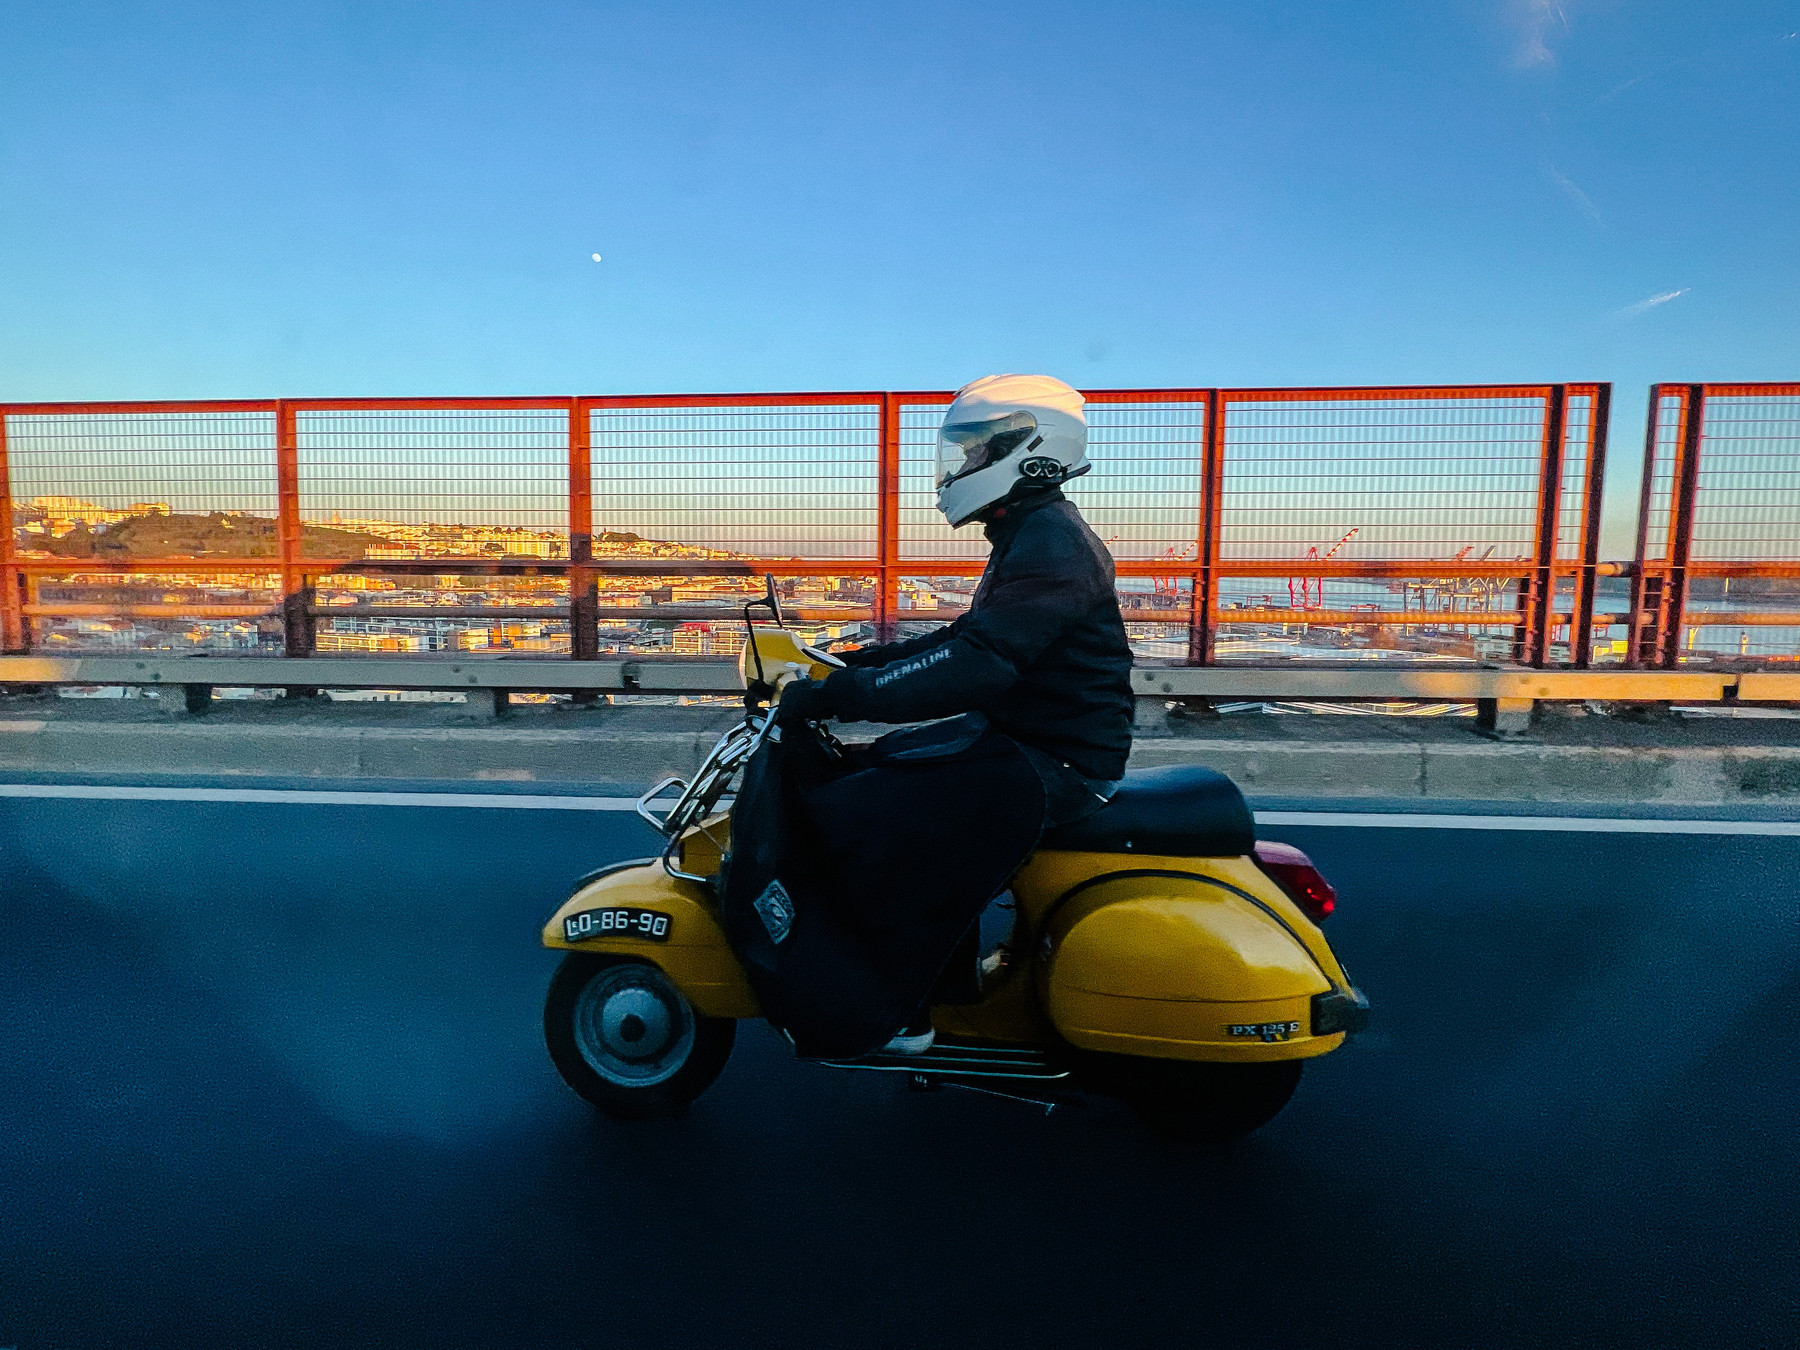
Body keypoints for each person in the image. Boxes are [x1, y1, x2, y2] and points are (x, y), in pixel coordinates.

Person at [773, 373, 1135, 1052]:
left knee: (874, 812)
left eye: (974, 451)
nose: (961, 466)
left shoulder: (1051, 542)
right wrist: (852, 667)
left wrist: (842, 696)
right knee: (873, 769)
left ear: (1029, 447)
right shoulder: (1033, 531)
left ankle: (898, 1012)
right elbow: (966, 641)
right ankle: (942, 985)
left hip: (1056, 763)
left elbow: (978, 667)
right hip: (1031, 741)